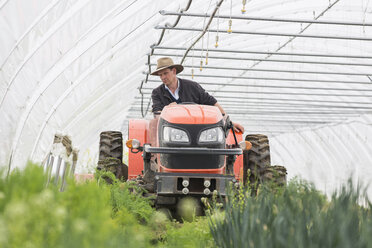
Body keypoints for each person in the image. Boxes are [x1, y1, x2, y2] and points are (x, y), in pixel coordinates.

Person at [151, 57, 244, 133]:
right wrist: (167, 110)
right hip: (171, 132)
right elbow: (157, 115)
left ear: (174, 71)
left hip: (197, 129)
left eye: (165, 73)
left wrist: (228, 121)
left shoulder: (192, 87)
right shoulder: (157, 93)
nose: (163, 77)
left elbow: (211, 102)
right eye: (160, 75)